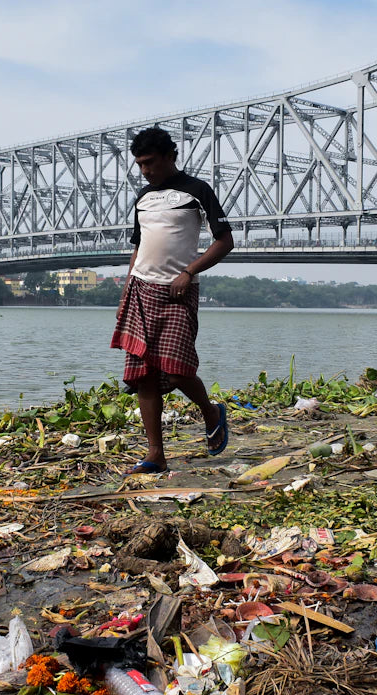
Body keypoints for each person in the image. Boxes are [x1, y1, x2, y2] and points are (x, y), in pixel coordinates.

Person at [110, 127, 235, 475]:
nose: (145, 170)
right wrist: (128, 280)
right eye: (139, 165)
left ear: (169, 155)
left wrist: (189, 272)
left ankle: (211, 412)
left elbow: (225, 241)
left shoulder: (197, 191)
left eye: (150, 162)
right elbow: (140, 244)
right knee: (143, 374)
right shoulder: (142, 197)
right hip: (140, 289)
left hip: (179, 290)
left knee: (177, 370)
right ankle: (155, 455)